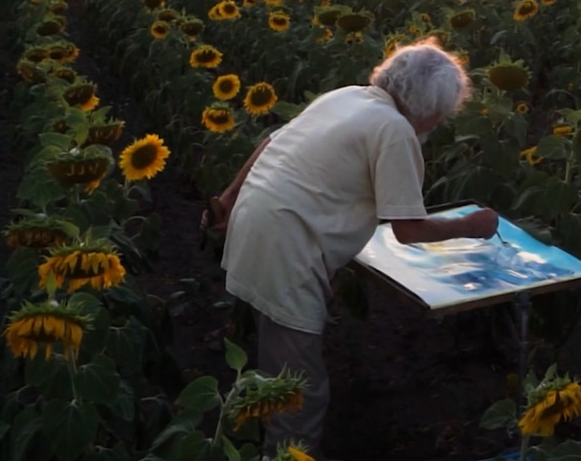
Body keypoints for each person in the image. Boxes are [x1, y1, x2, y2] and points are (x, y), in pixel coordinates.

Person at [202, 37, 499, 453]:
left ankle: (267, 434)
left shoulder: (347, 97)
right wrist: (470, 224)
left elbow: (271, 142)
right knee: (299, 393)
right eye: (442, 112)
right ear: (429, 107)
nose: (439, 121)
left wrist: (230, 199)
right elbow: (408, 230)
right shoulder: (395, 131)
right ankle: (283, 452)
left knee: (277, 364)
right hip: (287, 247)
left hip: (259, 221)